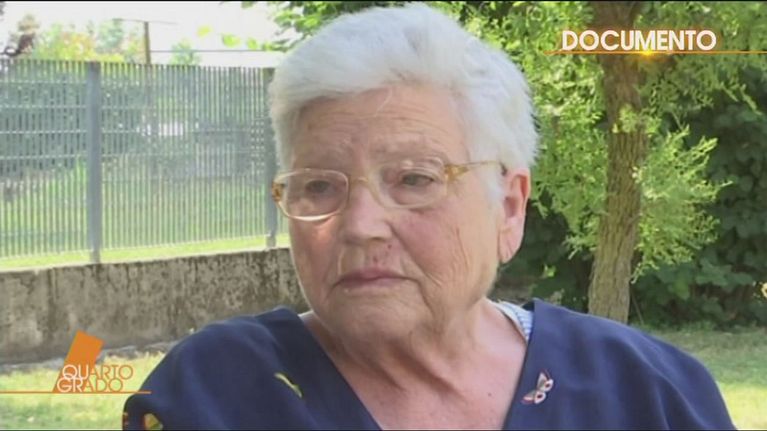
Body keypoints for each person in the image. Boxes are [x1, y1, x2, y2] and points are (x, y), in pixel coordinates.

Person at [123, 4, 734, 430]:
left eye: (414, 179)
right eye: (319, 186)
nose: (359, 225)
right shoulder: (216, 393)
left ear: (509, 208)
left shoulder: (646, 392)